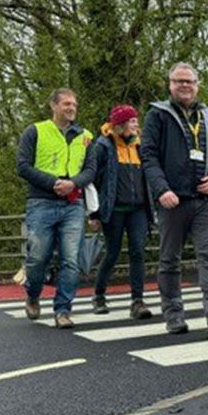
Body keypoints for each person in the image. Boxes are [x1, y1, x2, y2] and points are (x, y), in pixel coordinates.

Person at [140, 62, 208, 336]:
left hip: (204, 200)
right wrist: (162, 190)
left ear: (197, 85)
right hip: (173, 200)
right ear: (170, 85)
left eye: (190, 81)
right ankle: (173, 314)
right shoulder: (157, 116)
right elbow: (148, 156)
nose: (185, 86)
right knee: (169, 259)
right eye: (179, 81)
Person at [16, 88, 96, 329]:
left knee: (71, 260)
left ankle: (63, 309)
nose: (71, 108)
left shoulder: (86, 136)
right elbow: (22, 166)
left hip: (73, 203)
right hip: (42, 201)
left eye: (74, 104)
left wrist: (73, 183)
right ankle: (33, 293)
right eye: (66, 104)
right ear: (53, 106)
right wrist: (53, 183)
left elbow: (91, 170)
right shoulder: (35, 131)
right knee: (38, 256)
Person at [86, 105, 154, 319]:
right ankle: (98, 295)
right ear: (121, 124)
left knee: (138, 251)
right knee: (112, 252)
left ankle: (137, 301)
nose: (136, 125)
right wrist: (94, 214)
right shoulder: (103, 146)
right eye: (132, 121)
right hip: (113, 209)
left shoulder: (140, 145)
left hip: (138, 209)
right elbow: (93, 181)